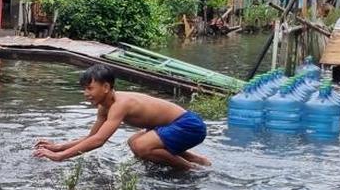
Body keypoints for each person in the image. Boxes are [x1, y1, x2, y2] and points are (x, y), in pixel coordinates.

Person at [34, 66, 211, 171]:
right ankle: (197, 160)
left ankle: (190, 170)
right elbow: (91, 137)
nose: (85, 93)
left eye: (90, 88)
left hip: (189, 126)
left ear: (106, 87)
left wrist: (60, 157)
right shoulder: (104, 107)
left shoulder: (120, 104)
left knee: (141, 146)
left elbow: (99, 141)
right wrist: (58, 147)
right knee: (134, 141)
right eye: (84, 89)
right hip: (173, 127)